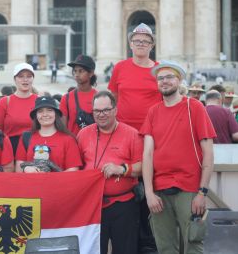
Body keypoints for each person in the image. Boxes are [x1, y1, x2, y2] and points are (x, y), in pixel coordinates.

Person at [140, 61, 216, 254]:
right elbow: (147, 154)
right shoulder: (153, 111)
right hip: (159, 190)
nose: (164, 81)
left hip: (189, 189)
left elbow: (208, 153)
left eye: (169, 77)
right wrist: (149, 193)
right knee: (165, 248)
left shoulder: (195, 107)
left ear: (179, 80)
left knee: (193, 245)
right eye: (160, 78)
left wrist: (202, 192)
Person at [108, 23, 161, 253]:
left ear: (152, 46)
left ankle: (148, 243)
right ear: (130, 44)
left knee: (151, 187)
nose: (141, 45)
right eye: (137, 41)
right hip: (125, 136)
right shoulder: (120, 67)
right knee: (128, 185)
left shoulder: (160, 70)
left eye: (145, 42)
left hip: (152, 136)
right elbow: (113, 98)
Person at [77, 91, 142, 254]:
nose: (101, 115)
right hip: (92, 206)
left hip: (123, 205)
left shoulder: (132, 134)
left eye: (106, 110)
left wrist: (122, 169)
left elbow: (144, 166)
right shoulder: (83, 134)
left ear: (115, 110)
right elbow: (76, 167)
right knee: (93, 250)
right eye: (97, 111)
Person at [16, 96, 81, 173]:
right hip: (31, 183)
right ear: (36, 116)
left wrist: (50, 179)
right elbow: (18, 167)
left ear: (56, 114)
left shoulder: (68, 139)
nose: (45, 114)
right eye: (40, 111)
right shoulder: (26, 137)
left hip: (58, 184)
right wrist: (26, 168)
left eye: (49, 110)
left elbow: (73, 169)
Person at [0, 63, 38, 155]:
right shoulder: (4, 102)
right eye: (21, 76)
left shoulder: (39, 101)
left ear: (33, 79)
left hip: (35, 148)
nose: (25, 80)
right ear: (15, 79)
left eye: (29, 76)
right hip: (10, 148)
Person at [59, 55, 97, 135]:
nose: (77, 74)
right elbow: (62, 127)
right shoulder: (66, 98)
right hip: (73, 143)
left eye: (81, 71)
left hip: (94, 144)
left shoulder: (99, 97)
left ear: (91, 73)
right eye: (75, 71)